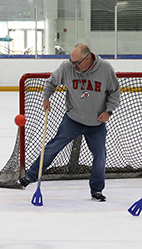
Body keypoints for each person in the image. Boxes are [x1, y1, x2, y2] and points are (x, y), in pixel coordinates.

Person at [19, 44, 120, 202]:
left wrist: (109, 111)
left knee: (100, 155)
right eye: (71, 62)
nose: (74, 66)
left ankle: (97, 190)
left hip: (96, 124)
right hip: (72, 120)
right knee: (53, 147)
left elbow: (115, 92)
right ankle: (30, 176)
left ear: (88, 58)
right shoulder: (67, 67)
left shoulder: (105, 69)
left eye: (77, 62)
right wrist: (46, 98)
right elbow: (51, 82)